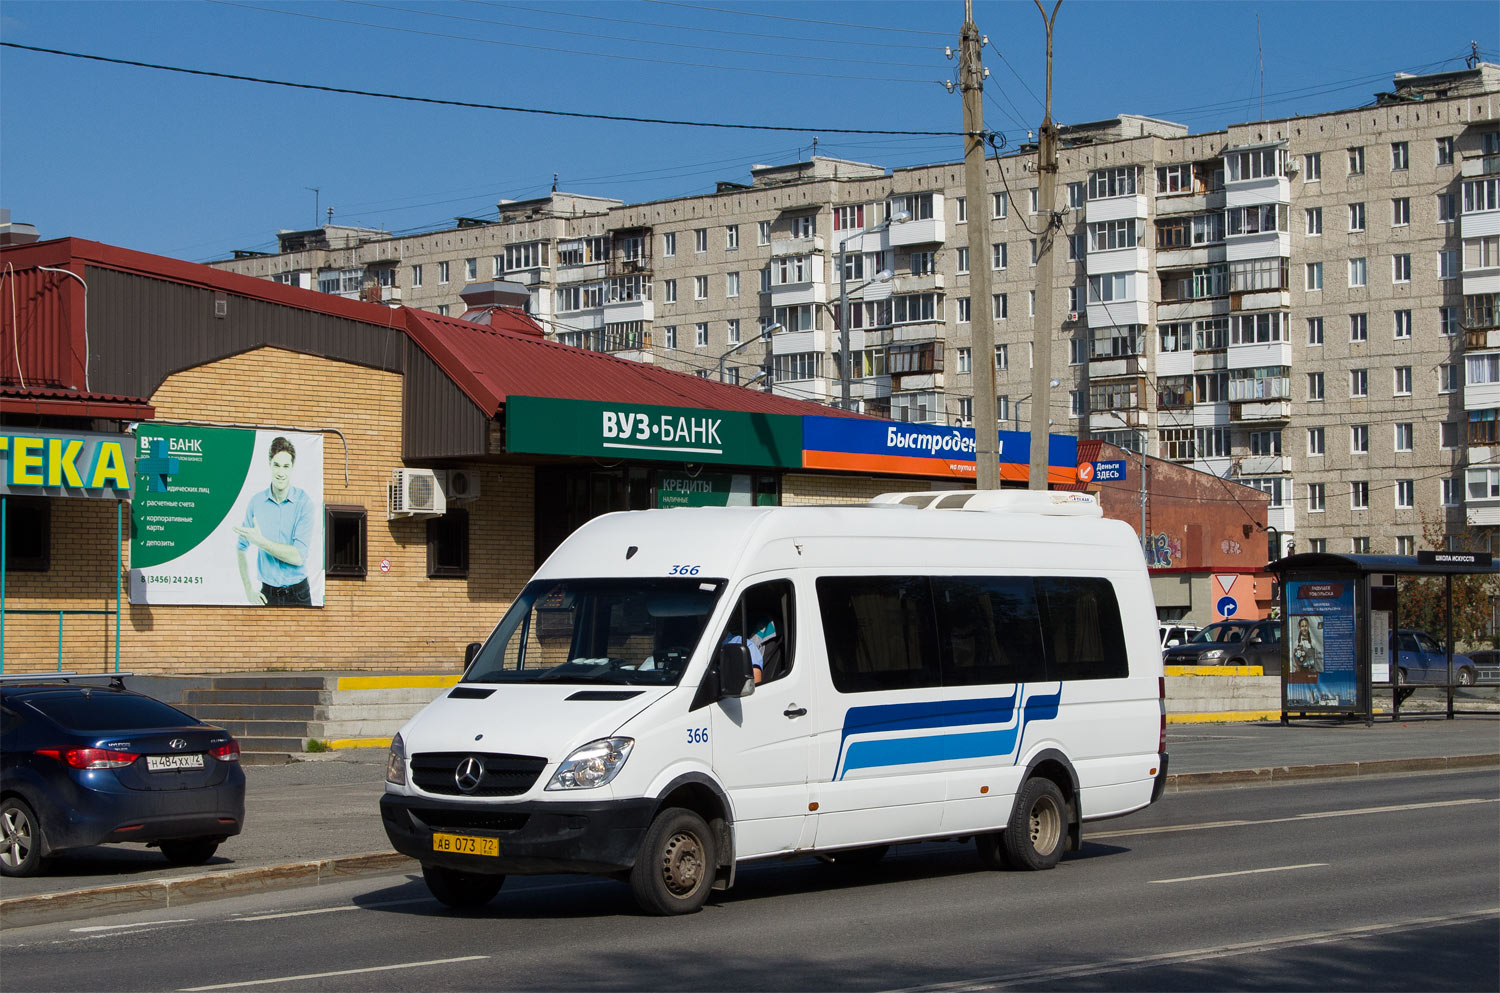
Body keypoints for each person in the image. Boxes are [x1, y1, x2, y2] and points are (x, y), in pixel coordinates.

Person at [234, 436, 316, 606]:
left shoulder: (304, 503)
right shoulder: (256, 503)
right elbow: (241, 548)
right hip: (267, 595)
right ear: (269, 464)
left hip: (298, 595)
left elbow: (298, 557)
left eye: (286, 466)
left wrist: (261, 542)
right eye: (276, 465)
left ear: (292, 468)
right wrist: (248, 589)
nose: (280, 473)